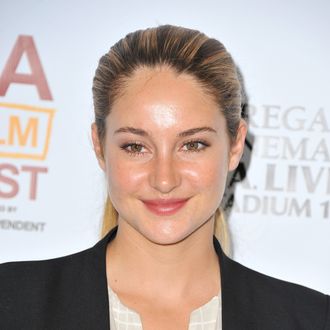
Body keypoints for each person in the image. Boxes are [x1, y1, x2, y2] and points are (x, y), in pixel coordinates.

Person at [0, 25, 329, 330]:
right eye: (136, 147)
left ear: (235, 146)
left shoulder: (312, 319)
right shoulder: (11, 302)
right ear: (100, 146)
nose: (164, 179)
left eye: (192, 144)